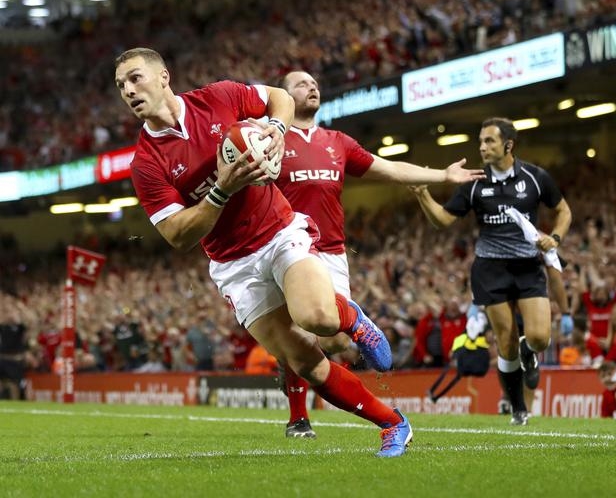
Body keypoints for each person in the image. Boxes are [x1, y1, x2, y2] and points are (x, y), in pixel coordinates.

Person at [113, 48, 411, 457]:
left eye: (135, 78)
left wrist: (275, 128)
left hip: (278, 231)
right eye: (121, 86)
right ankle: (393, 424)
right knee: (305, 362)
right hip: (234, 264)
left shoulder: (218, 96)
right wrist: (221, 190)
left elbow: (280, 98)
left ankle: (353, 319)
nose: (128, 91)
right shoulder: (146, 163)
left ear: (164, 76)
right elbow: (177, 234)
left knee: (318, 319)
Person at [274, 69, 484, 439]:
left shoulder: (337, 142)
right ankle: (298, 418)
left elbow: (390, 168)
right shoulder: (271, 140)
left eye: (315, 83)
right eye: (302, 84)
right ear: (284, 98)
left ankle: (345, 328)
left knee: (334, 340)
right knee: (295, 339)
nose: (313, 87)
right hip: (282, 250)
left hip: (328, 251)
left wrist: (442, 176)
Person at [410, 117, 572, 425]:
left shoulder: (535, 177)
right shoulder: (474, 183)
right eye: (481, 141)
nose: (482, 147)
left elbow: (564, 210)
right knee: (505, 344)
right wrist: (423, 194)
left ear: (508, 145)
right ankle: (517, 408)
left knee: (539, 338)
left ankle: (529, 351)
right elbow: (443, 220)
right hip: (490, 270)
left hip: (527, 267)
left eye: (490, 141)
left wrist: (555, 237)